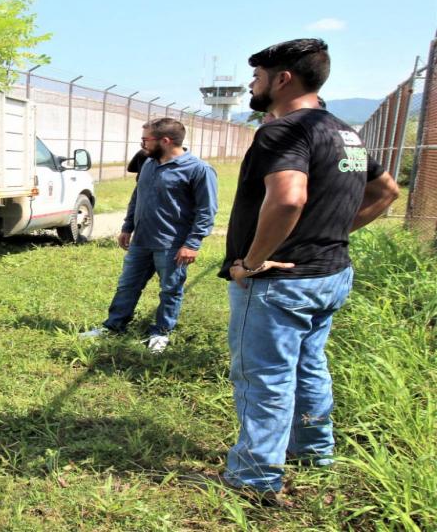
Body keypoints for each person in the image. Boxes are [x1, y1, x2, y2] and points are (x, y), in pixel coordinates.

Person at [218, 38, 399, 503]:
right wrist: (332, 231)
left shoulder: (284, 131)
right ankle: (314, 452)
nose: (252, 87)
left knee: (265, 378)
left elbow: (288, 197)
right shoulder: (343, 131)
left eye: (257, 78)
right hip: (329, 274)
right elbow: (386, 191)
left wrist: (252, 262)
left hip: (280, 282)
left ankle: (255, 477)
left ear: (283, 80)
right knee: (309, 367)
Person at [82, 118, 218, 353]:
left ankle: (161, 332)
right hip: (141, 242)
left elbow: (206, 211)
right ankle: (114, 325)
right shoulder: (149, 163)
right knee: (127, 285)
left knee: (170, 290)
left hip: (172, 245)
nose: (142, 144)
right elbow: (138, 196)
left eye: (146, 139)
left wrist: (192, 244)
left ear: (165, 141)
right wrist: (127, 227)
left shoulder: (198, 170)